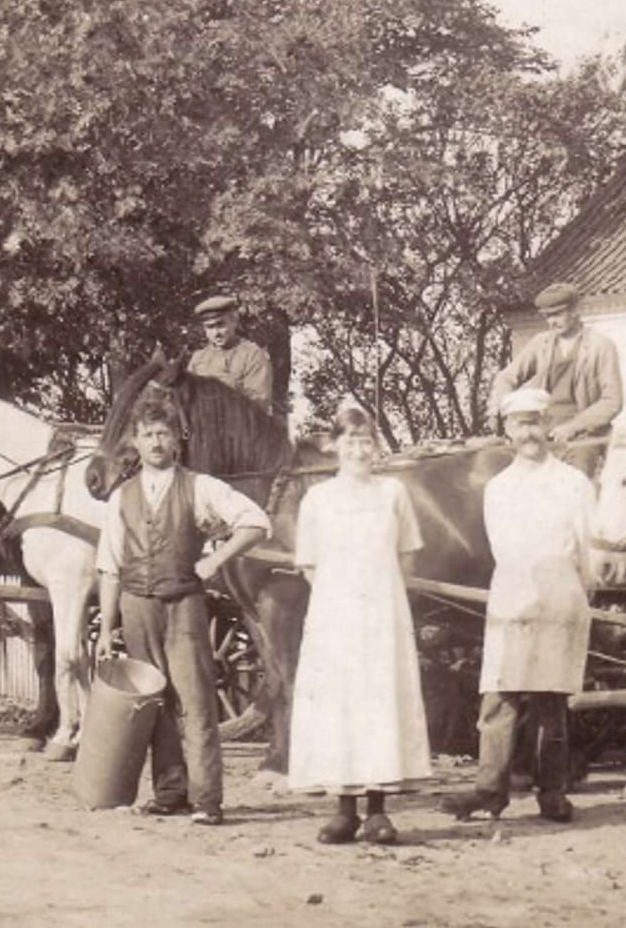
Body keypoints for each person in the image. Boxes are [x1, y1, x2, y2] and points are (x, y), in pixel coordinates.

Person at [93, 396, 272, 826]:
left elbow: (256, 521)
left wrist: (216, 559)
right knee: (154, 703)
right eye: (149, 434)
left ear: (177, 439)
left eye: (164, 433)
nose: (156, 441)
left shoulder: (201, 486)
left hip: (185, 607)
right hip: (137, 607)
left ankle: (207, 799)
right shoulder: (121, 498)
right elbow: (109, 566)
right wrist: (105, 628)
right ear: (135, 441)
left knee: (195, 700)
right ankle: (169, 792)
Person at [440, 388, 600, 824]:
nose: (529, 432)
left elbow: (589, 550)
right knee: (499, 697)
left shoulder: (573, 483)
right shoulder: (499, 488)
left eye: (536, 422)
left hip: (560, 594)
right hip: (513, 593)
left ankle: (553, 794)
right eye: (519, 424)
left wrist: (578, 593)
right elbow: (502, 547)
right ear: (508, 431)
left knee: (552, 702)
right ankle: (490, 791)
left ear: (548, 424)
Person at [288, 400, 434, 845]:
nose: (358, 449)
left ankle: (377, 812)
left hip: (383, 616)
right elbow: (310, 564)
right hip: (335, 617)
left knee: (379, 704)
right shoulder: (318, 498)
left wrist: (382, 596)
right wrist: (341, 599)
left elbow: (407, 554)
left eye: (366, 439)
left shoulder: (393, 493)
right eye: (350, 440)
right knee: (340, 707)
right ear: (334, 446)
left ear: (375, 446)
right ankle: (343, 812)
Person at [487, 283, 622, 470]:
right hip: (542, 431)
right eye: (547, 316)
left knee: (577, 480)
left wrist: (574, 426)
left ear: (575, 310)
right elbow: (506, 378)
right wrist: (512, 413)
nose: (552, 322)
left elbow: (612, 401)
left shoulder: (601, 346)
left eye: (557, 314)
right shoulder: (540, 344)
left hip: (583, 436)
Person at [187, 295, 274, 411]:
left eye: (220, 325)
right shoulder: (198, 358)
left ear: (234, 322)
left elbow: (258, 403)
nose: (216, 333)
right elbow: (187, 399)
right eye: (210, 327)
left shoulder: (252, 355)